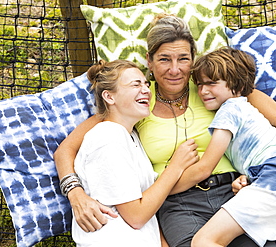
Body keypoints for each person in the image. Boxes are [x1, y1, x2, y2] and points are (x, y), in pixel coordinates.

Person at [54, 14, 276, 247]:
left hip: (233, 191)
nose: (174, 70)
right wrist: (76, 193)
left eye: (183, 59)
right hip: (179, 205)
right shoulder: (136, 100)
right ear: (149, 61)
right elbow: (67, 148)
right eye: (164, 59)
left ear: (194, 59)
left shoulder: (214, 88)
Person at [189, 47, 276, 247]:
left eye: (211, 83)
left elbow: (206, 166)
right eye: (199, 85)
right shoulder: (248, 110)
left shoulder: (230, 109)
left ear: (237, 86)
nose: (203, 91)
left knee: (204, 241)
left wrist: (160, 189)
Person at [69, 59, 198, 246]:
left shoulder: (129, 136)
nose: (146, 89)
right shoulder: (107, 137)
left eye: (146, 84)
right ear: (109, 97)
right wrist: (176, 167)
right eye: (135, 85)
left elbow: (148, 205)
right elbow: (136, 216)